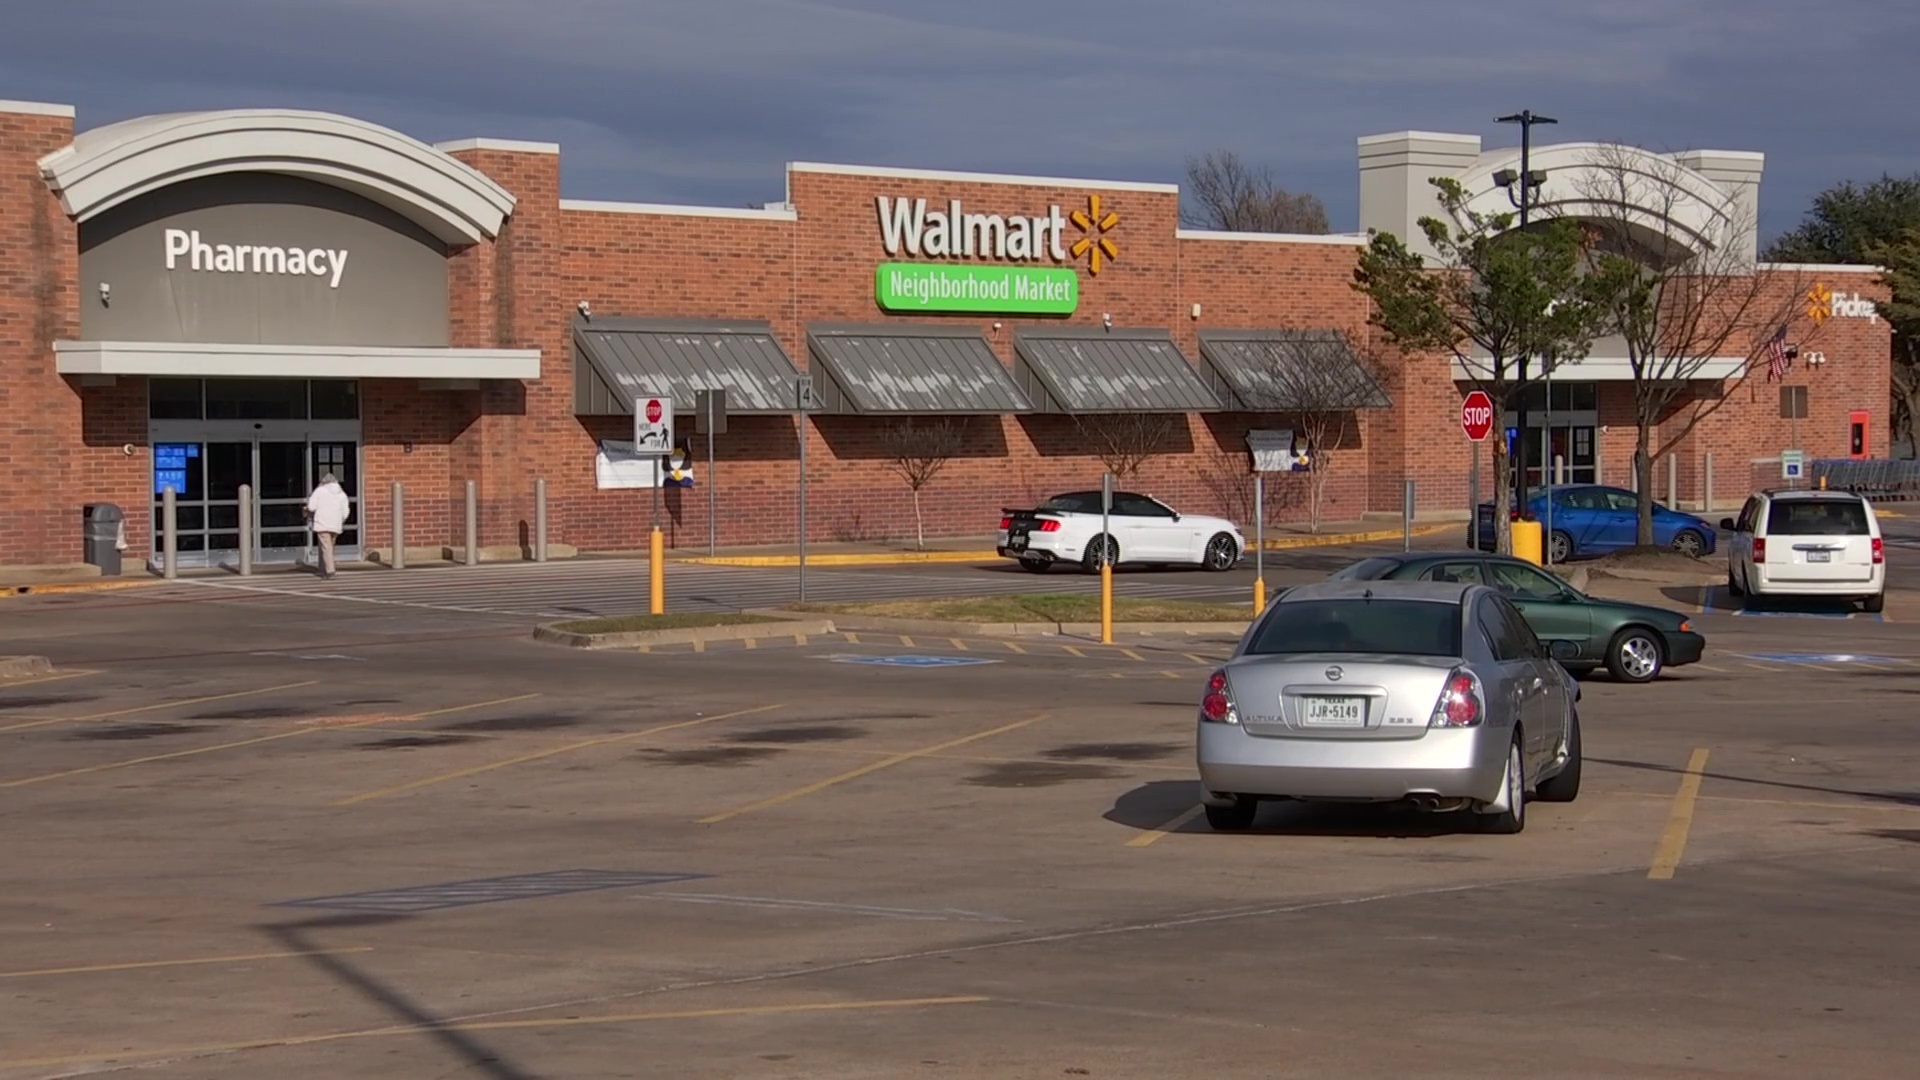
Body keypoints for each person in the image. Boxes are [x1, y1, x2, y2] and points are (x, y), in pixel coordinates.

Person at [304, 473, 352, 579]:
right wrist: (341, 520)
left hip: (322, 523)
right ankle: (322, 569)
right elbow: (346, 511)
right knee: (328, 547)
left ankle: (330, 570)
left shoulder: (319, 491)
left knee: (325, 547)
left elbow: (311, 507)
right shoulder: (341, 494)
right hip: (335, 524)